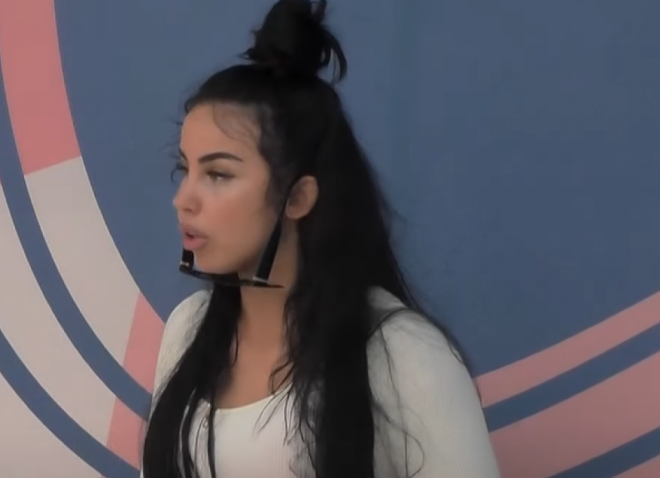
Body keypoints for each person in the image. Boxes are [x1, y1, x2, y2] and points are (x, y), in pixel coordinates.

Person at [141, 0, 501, 476]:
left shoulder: (403, 353)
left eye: (218, 175)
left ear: (298, 197)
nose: (183, 200)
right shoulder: (186, 328)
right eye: (183, 170)